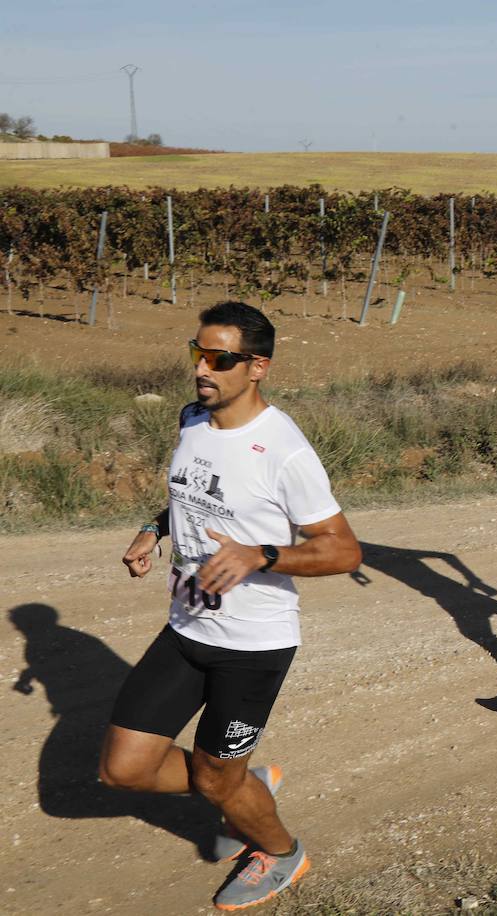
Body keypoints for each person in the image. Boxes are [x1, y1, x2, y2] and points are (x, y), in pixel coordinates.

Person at [101, 301, 362, 911]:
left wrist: (260, 556)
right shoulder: (193, 419)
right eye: (198, 353)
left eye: (219, 359)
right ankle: (238, 785)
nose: (202, 368)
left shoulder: (283, 451)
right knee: (124, 769)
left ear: (257, 367)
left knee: (216, 778)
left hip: (252, 644)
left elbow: (344, 551)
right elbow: (193, 494)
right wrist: (154, 529)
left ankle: (281, 852)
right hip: (186, 625)